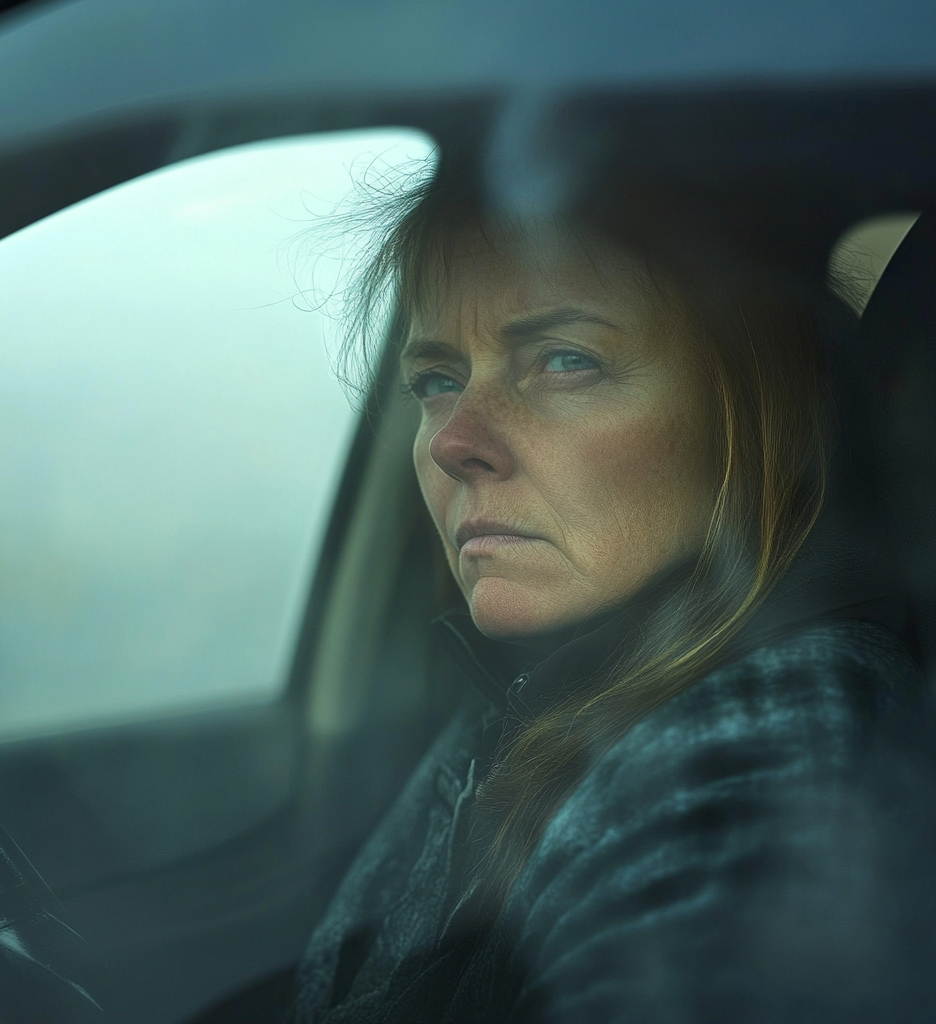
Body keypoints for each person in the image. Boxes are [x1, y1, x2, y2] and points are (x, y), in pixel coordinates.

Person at [283, 164, 923, 1022]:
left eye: (564, 360)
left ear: (760, 407)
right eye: (438, 379)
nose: (453, 442)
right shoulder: (552, 689)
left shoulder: (765, 750)